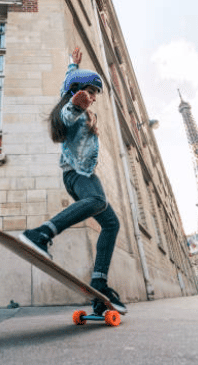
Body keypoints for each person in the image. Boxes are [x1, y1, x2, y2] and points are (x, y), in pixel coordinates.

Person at [19, 47, 126, 314]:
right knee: (98, 200)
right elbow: (67, 112)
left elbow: (69, 84)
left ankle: (99, 282)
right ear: (76, 92)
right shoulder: (73, 110)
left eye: (94, 95)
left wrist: (72, 64)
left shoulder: (82, 106)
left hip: (82, 176)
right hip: (77, 174)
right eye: (89, 93)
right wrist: (77, 103)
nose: (92, 98)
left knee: (111, 224)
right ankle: (42, 234)